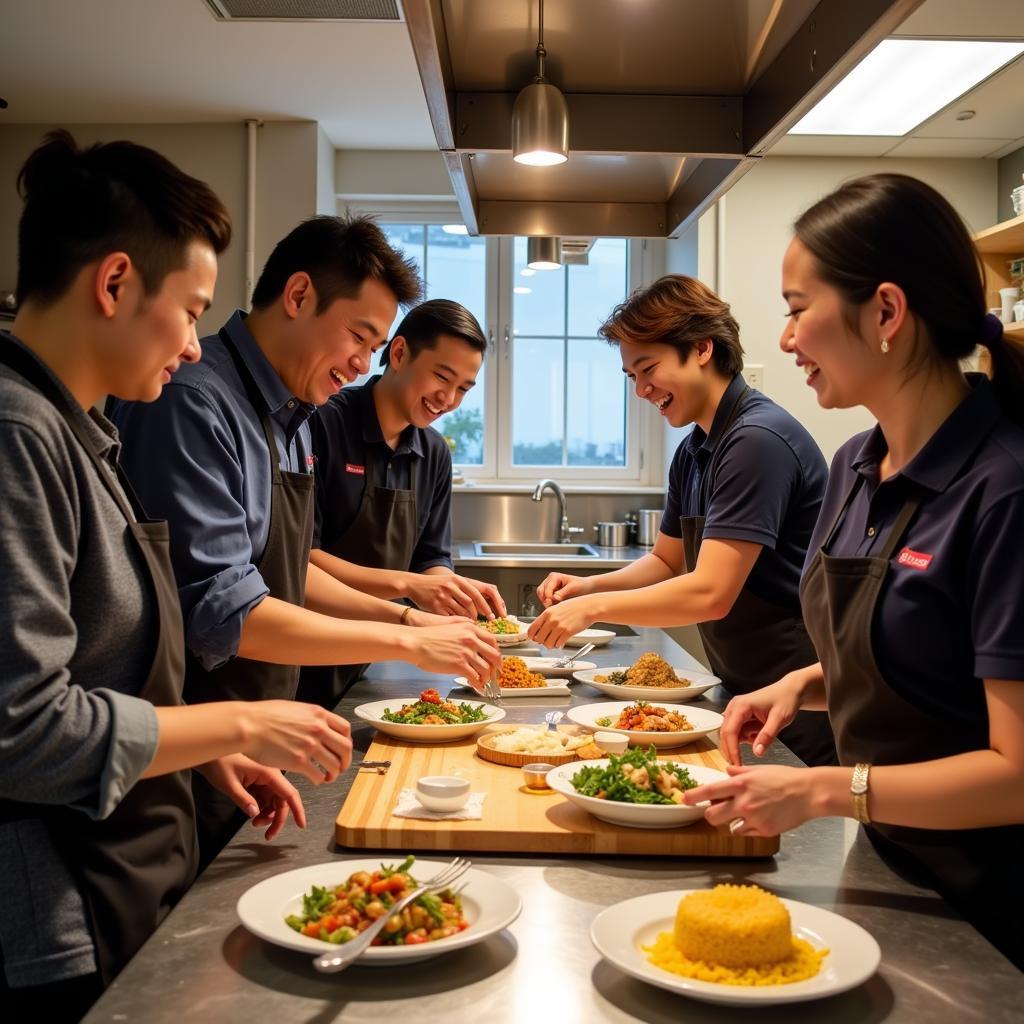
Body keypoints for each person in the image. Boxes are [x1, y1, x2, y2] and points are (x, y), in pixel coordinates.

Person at [0, 131, 354, 1020]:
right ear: (114, 284)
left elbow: (102, 671)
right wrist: (231, 718)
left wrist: (210, 750)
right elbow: (21, 730)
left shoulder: (82, 434)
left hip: (114, 865)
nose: (195, 345)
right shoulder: (18, 436)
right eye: (192, 309)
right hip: (53, 912)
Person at [686, 173, 1024, 969]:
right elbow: (917, 656)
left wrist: (822, 790)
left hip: (990, 913)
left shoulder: (1003, 488)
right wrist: (802, 684)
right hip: (888, 867)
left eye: (798, 309)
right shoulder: (855, 465)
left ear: (885, 312)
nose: (786, 338)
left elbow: (1015, 774)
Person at [109, 215, 500, 859]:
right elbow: (223, 613)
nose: (362, 362)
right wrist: (405, 633)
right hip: (188, 746)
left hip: (246, 744)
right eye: (359, 336)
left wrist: (410, 622)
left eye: (373, 347)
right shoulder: (193, 403)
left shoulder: (294, 416)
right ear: (298, 297)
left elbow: (288, 572)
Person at [528, 275, 837, 767]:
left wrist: (594, 609)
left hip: (798, 698)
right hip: (749, 687)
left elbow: (711, 593)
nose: (642, 389)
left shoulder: (756, 441)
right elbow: (667, 561)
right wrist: (587, 589)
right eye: (631, 376)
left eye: (648, 368)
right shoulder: (695, 448)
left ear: (701, 349)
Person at [299, 298, 506, 707]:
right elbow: (303, 559)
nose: (448, 399)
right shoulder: (321, 424)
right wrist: (413, 586)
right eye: (441, 377)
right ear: (398, 353)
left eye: (463, 388)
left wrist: (449, 589)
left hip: (379, 655)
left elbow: (430, 556)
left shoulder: (434, 453)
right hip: (306, 651)